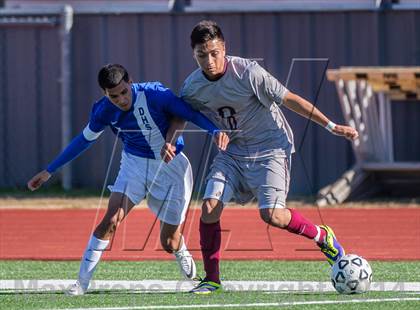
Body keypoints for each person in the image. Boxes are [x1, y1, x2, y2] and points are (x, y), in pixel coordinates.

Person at [180, 20, 359, 294]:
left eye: (214, 52)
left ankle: (323, 236)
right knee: (209, 208)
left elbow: (290, 99)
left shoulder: (249, 72)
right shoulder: (192, 87)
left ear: (224, 48)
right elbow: (180, 114)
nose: (209, 60)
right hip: (233, 153)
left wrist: (332, 126)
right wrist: (171, 141)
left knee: (273, 216)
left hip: (270, 149)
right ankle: (212, 279)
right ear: (194, 54)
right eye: (202, 55)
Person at [27, 63, 229, 295]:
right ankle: (81, 284)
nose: (121, 99)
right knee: (110, 220)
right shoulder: (103, 110)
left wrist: (215, 131)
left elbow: (189, 113)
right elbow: (83, 140)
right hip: (133, 165)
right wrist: (49, 170)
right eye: (114, 96)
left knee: (169, 243)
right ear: (105, 94)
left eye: (124, 92)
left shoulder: (155, 94)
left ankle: (180, 249)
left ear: (130, 82)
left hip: (171, 169)